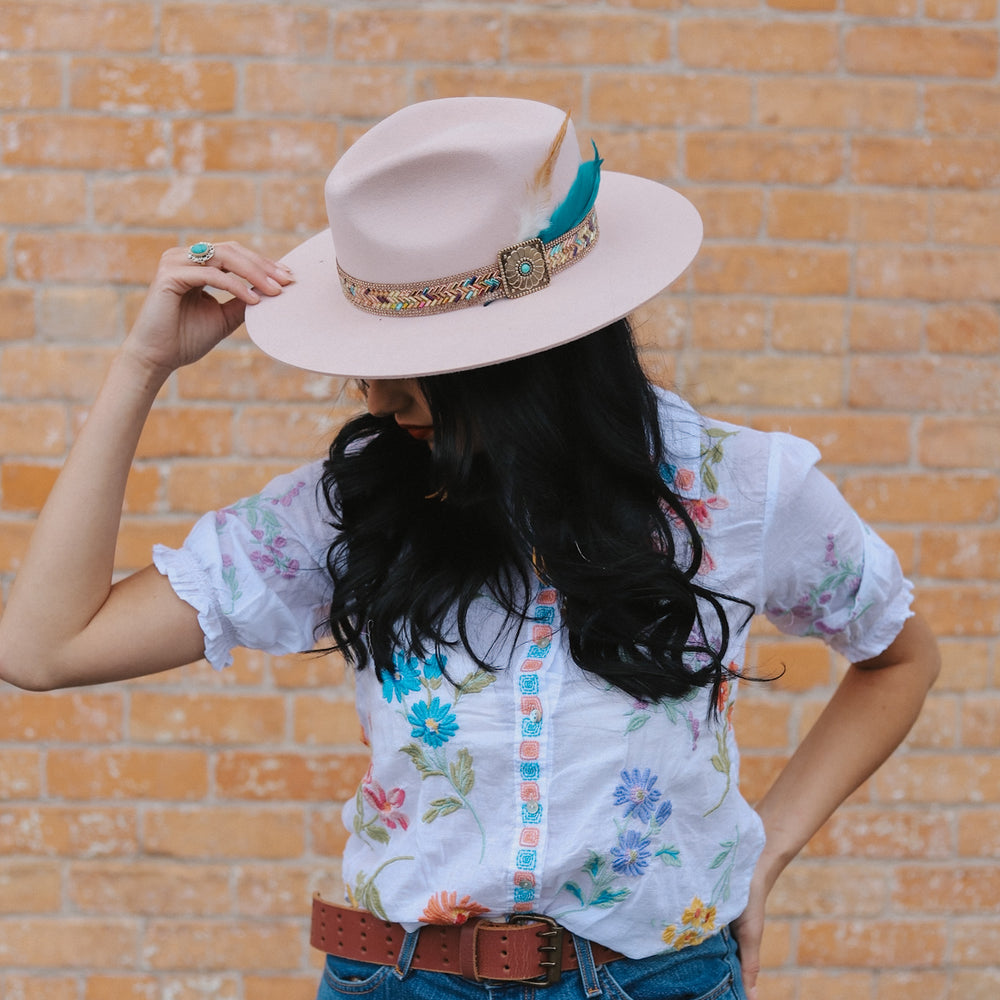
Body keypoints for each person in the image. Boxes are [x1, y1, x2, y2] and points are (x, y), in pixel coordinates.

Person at [0, 98, 939, 1000]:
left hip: (661, 981)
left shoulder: (744, 488)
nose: (375, 399)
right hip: (398, 985)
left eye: (413, 364)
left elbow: (899, 656)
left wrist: (766, 849)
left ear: (527, 362)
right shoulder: (355, 506)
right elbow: (45, 648)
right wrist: (143, 366)